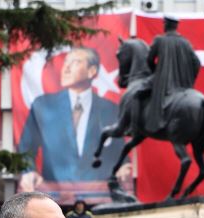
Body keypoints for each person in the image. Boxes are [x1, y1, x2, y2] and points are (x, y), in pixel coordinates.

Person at [17, 47, 128, 193]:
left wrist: (124, 167)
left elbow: (119, 151)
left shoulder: (111, 110)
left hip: (98, 195)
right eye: (65, 62)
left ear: (92, 71)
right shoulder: (42, 106)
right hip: (54, 197)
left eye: (75, 62)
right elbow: (25, 149)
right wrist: (28, 171)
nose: (66, 68)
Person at [145, 15, 201, 133]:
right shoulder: (185, 43)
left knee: (138, 92)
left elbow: (149, 60)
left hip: (164, 86)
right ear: (176, 26)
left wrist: (156, 72)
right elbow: (197, 63)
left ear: (166, 24)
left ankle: (135, 125)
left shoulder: (159, 40)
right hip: (183, 86)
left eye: (164, 23)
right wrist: (189, 80)